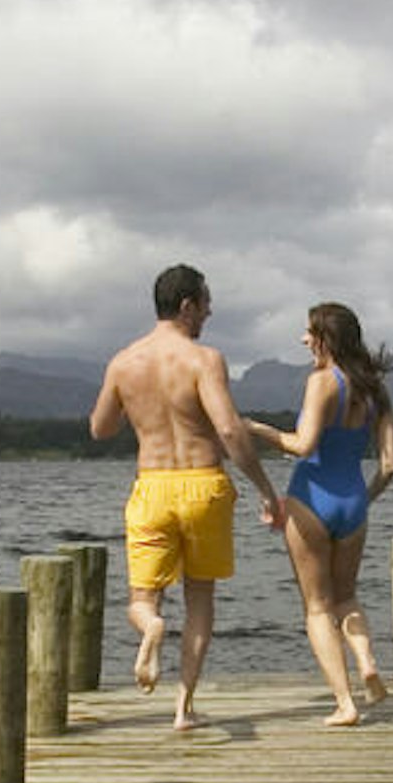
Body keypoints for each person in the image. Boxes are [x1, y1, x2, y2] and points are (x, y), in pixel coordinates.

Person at [86, 264, 286, 732]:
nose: (210, 312)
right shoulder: (205, 360)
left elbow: (100, 428)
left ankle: (150, 625)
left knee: (142, 599)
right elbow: (229, 429)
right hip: (203, 484)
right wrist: (265, 489)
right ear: (186, 305)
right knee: (200, 599)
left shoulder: (122, 362)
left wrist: (137, 410)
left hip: (152, 485)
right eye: (206, 303)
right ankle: (183, 708)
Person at [250, 300, 393, 726]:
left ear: (327, 339)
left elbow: (303, 445)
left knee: (317, 607)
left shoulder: (321, 382)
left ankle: (345, 703)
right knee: (346, 595)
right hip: (353, 500)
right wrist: (363, 500)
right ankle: (367, 660)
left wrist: (258, 430)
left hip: (311, 499)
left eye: (309, 332)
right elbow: (390, 465)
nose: (303, 339)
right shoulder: (376, 389)